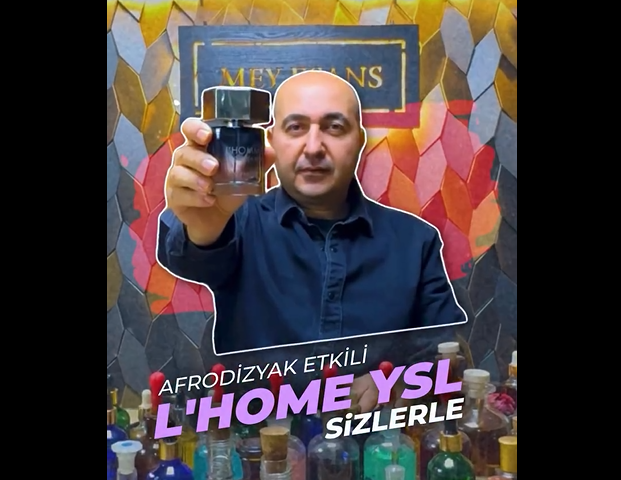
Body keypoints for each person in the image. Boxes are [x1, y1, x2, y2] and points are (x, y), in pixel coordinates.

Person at [157, 70, 467, 412]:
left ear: (359, 140)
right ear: (271, 140)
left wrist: (398, 381)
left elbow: (445, 351)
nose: (314, 147)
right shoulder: (237, 221)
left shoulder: (415, 241)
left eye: (334, 127)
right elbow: (189, 254)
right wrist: (201, 225)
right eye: (296, 127)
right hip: (255, 438)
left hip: (377, 440)